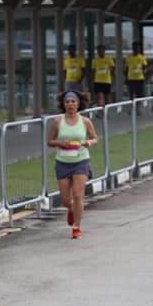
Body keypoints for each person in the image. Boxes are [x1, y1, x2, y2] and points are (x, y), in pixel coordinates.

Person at [46, 91, 99, 239]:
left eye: (73, 101)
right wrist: (60, 143)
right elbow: (49, 141)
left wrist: (89, 142)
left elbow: (95, 138)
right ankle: (72, 209)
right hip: (63, 162)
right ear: (63, 104)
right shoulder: (58, 122)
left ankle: (76, 227)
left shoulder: (85, 121)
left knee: (77, 195)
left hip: (81, 161)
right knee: (65, 200)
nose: (70, 104)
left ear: (78, 104)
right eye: (67, 102)